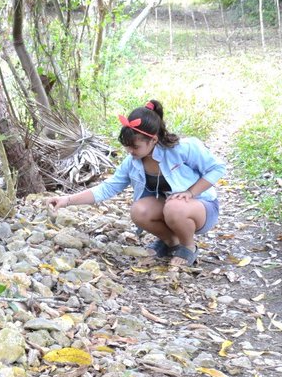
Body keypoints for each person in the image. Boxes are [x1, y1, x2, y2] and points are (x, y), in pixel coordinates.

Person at [49, 99, 224, 267]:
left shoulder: (183, 148)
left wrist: (191, 192)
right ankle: (172, 243)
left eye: (135, 147)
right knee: (139, 210)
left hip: (201, 208)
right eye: (127, 146)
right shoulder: (132, 162)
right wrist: (67, 200)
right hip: (171, 206)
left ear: (153, 140)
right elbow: (107, 188)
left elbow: (217, 168)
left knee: (175, 206)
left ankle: (188, 247)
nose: (130, 151)